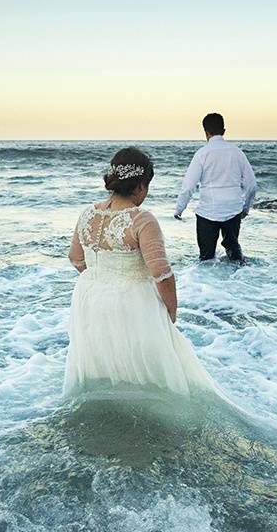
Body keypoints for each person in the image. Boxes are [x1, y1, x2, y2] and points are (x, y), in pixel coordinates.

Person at [63, 147, 226, 398]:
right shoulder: (142, 219)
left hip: (89, 297)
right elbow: (161, 273)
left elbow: (75, 258)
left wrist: (101, 277)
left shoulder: (87, 213)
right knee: (148, 368)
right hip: (133, 301)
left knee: (105, 358)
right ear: (140, 186)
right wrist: (171, 308)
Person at [174, 113, 257, 262]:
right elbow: (251, 185)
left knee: (206, 258)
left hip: (208, 212)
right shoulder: (237, 152)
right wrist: (245, 208)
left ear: (206, 132)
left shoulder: (202, 154)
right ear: (224, 131)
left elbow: (188, 186)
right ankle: (240, 280)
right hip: (233, 210)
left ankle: (208, 284)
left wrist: (179, 209)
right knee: (234, 255)